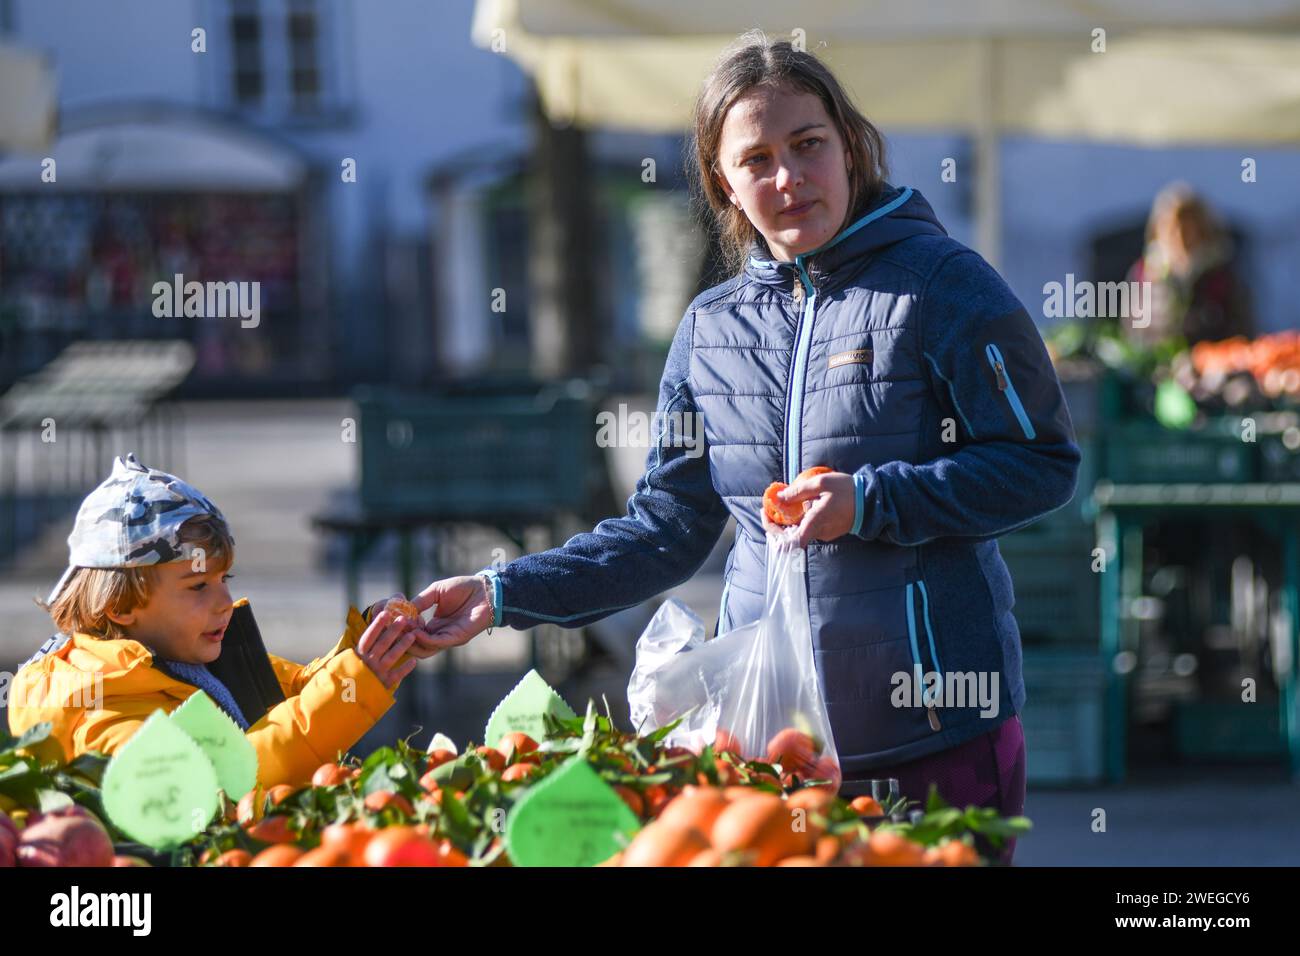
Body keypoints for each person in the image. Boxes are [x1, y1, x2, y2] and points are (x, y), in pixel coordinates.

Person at [408, 32, 1081, 863]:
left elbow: (1041, 463)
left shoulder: (943, 285)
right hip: (772, 748)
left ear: (852, 146)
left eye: (808, 146)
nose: (789, 179)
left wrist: (874, 501)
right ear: (723, 181)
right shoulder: (710, 329)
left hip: (934, 734)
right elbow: (664, 528)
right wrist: (502, 593)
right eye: (756, 160)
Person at [7, 453, 422, 788]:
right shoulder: (98, 709)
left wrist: (363, 651)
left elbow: (293, 693)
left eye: (225, 579)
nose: (227, 601)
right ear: (120, 605)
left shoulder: (186, 655)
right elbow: (221, 783)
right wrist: (356, 683)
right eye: (198, 586)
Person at [1125, 181, 1254, 349]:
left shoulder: (1223, 275)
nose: (1180, 237)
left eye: (1187, 229)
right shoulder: (1145, 273)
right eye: (1172, 229)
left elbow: (1242, 331)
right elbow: (1132, 331)